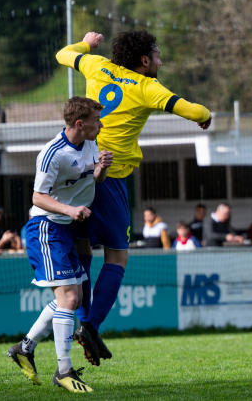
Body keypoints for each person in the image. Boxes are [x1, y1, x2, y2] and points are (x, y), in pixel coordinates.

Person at [56, 30, 212, 366]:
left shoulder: (96, 65)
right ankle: (90, 326)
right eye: (157, 55)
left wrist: (86, 44)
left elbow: (62, 54)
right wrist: (206, 115)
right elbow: (193, 111)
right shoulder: (147, 87)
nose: (160, 61)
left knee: (83, 251)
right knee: (117, 258)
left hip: (78, 173)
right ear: (144, 60)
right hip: (110, 177)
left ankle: (83, 324)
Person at [7, 97, 111, 393]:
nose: (100, 124)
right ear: (80, 123)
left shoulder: (90, 143)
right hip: (46, 228)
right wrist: (70, 210)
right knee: (69, 298)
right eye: (96, 120)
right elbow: (37, 197)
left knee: (73, 298)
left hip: (64, 229)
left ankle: (24, 348)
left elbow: (93, 179)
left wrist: (101, 169)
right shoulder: (52, 153)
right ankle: (64, 370)